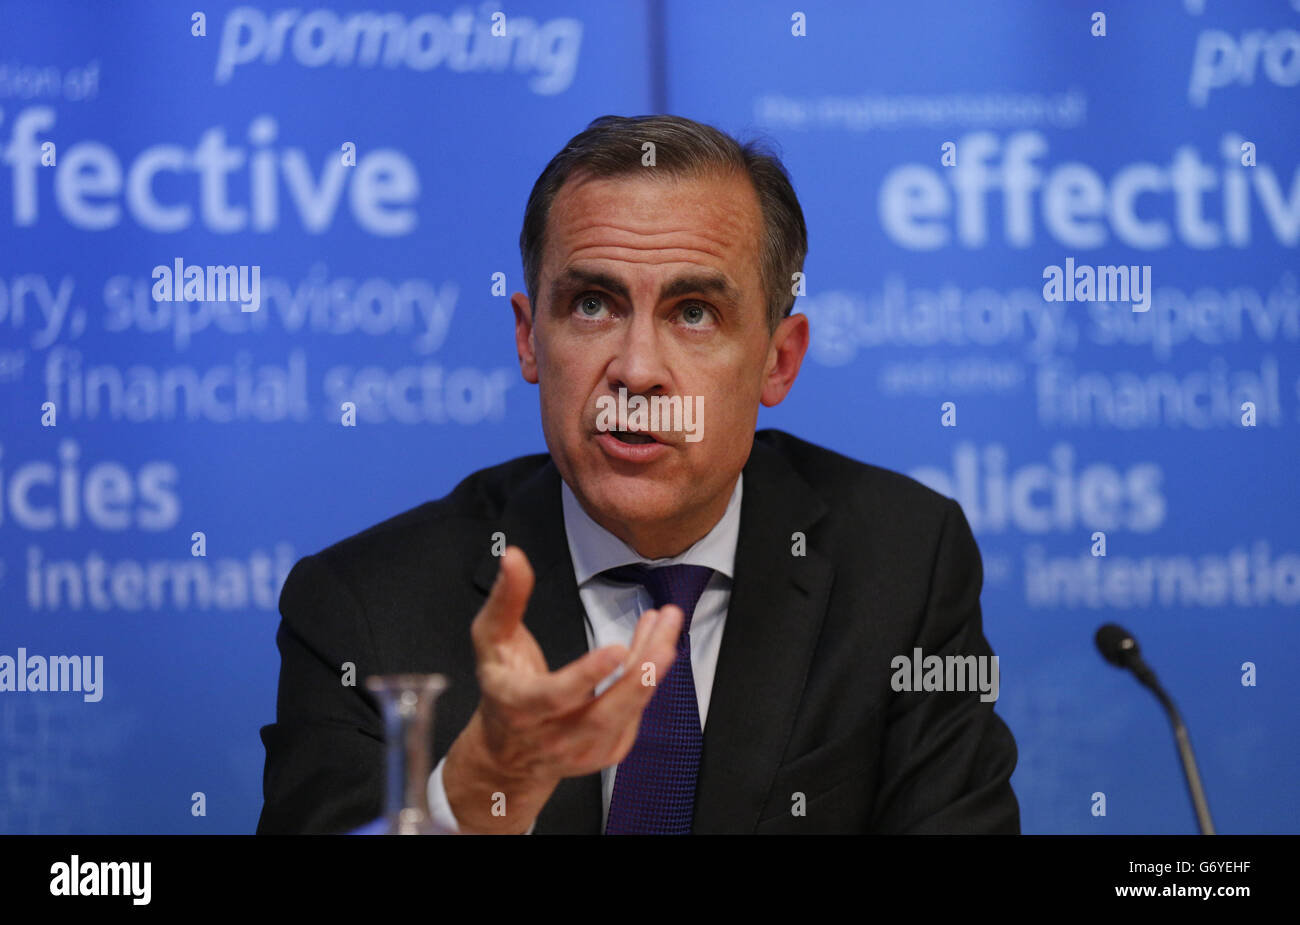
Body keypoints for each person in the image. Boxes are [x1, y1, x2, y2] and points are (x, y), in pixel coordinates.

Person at [256, 114, 1020, 835]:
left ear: (777, 359)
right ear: (529, 340)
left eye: (694, 313)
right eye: (593, 304)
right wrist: (467, 805)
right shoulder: (364, 609)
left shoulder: (902, 564)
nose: (637, 371)